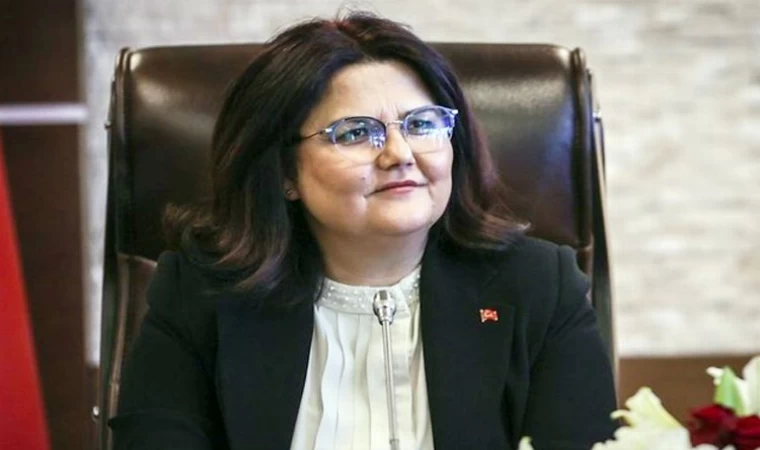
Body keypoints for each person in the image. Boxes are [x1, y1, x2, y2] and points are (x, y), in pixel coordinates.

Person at [109, 12, 618, 450]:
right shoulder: (201, 293)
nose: (400, 154)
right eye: (355, 133)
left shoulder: (538, 287)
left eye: (422, 124)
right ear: (284, 172)